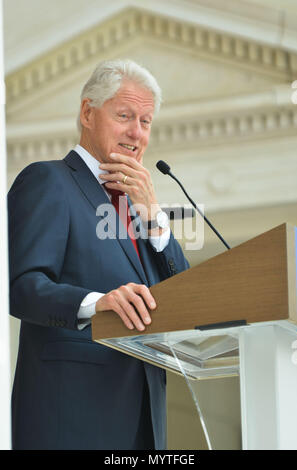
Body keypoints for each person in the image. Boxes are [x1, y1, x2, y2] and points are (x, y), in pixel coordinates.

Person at [8, 59, 189, 450]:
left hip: (144, 420)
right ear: (88, 113)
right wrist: (96, 303)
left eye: (145, 121)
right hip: (71, 419)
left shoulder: (137, 207)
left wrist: (155, 216)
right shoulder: (48, 180)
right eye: (124, 115)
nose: (136, 133)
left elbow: (185, 294)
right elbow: (22, 287)